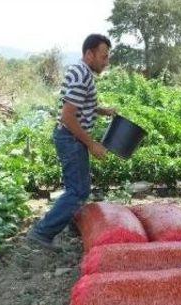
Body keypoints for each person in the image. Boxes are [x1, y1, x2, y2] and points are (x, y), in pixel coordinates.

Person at [27, 34, 116, 250]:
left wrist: (101, 110)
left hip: (72, 138)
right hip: (71, 138)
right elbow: (68, 117)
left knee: (76, 187)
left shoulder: (82, 71)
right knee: (78, 191)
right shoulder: (80, 74)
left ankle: (71, 222)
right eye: (103, 57)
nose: (106, 62)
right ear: (89, 54)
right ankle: (42, 232)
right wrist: (92, 144)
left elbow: (78, 103)